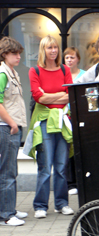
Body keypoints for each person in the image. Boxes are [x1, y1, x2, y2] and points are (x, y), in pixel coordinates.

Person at [26, 35, 74, 219]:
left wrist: (50, 96)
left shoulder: (64, 69)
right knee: (45, 166)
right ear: (42, 50)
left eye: (55, 47)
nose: (53, 50)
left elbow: (70, 95)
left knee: (61, 166)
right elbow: (38, 97)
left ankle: (62, 204)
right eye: (49, 47)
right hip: (44, 122)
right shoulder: (35, 70)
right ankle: (40, 206)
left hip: (62, 121)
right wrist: (59, 95)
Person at [0, 37, 28, 226]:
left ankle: (10, 208)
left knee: (11, 170)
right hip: (6, 127)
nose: (18, 57)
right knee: (7, 172)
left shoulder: (11, 72)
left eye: (19, 53)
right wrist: (13, 124)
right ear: (4, 54)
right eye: (14, 54)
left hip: (10, 127)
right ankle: (7, 215)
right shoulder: (3, 73)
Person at [63, 47, 85, 196]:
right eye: (67, 58)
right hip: (65, 116)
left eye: (72, 57)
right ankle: (70, 183)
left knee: (80, 149)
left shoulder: (84, 75)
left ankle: (80, 181)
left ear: (78, 59)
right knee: (67, 150)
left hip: (80, 115)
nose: (70, 60)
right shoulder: (62, 75)